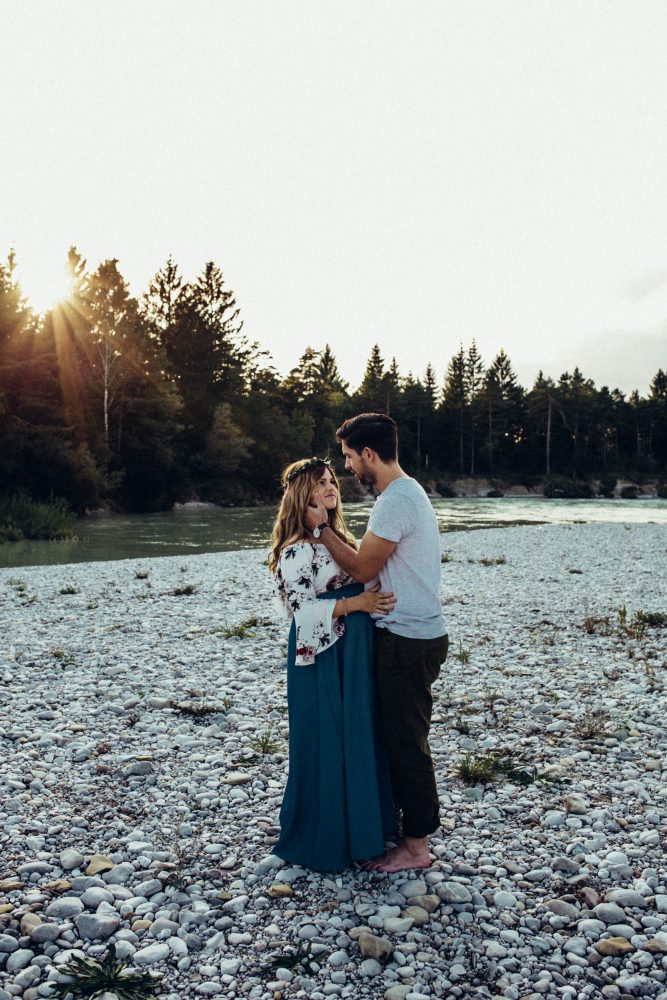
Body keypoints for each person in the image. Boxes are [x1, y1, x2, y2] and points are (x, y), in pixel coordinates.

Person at [305, 413, 448, 873]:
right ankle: (400, 826)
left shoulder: (394, 502)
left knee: (406, 743)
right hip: (416, 635)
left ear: (369, 454)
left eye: (349, 457)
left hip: (408, 639)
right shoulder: (408, 492)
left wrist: (321, 530)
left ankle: (416, 847)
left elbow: (364, 568)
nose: (347, 467)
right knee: (400, 737)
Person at [269, 456, 397, 871]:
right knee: (328, 736)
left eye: (331, 481)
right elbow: (302, 611)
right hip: (323, 653)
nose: (330, 488)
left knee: (359, 732)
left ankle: (367, 830)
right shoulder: (294, 550)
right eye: (320, 483)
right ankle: (327, 836)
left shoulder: (337, 538)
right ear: (301, 497)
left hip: (355, 650)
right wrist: (358, 603)